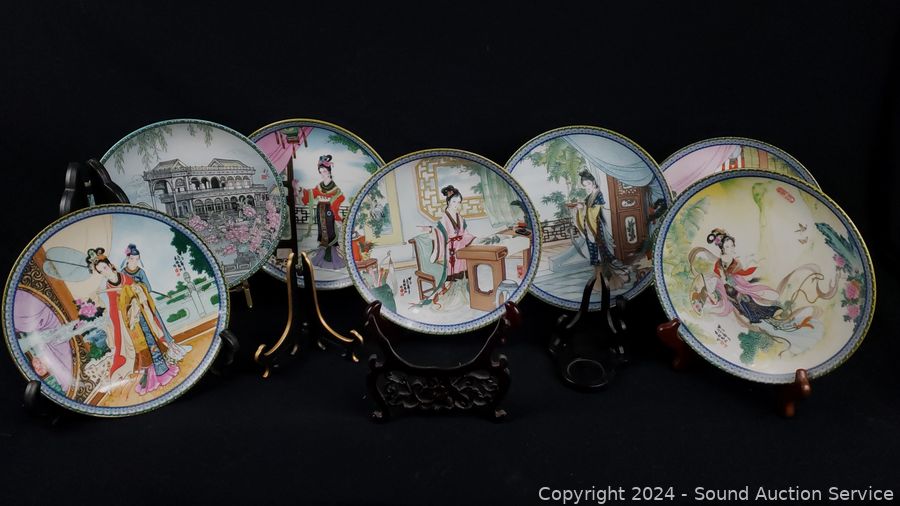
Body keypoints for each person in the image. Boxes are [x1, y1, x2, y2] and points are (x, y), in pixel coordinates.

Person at [88, 247, 179, 395]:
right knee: (139, 347)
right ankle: (149, 375)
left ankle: (162, 370)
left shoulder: (123, 277)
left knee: (150, 340)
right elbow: (114, 307)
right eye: (100, 271)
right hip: (128, 319)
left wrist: (133, 290)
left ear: (110, 265)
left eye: (104, 267)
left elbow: (138, 289)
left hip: (139, 313)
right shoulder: (108, 286)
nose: (104, 272)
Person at [120, 244, 192, 361]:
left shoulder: (141, 272)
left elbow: (148, 288)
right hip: (134, 308)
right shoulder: (123, 273)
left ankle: (173, 347)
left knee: (158, 323)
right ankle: (159, 354)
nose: (135, 262)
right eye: (132, 259)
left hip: (146, 303)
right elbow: (123, 292)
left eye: (137, 259)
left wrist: (138, 286)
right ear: (127, 258)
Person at [572, 170, 629, 290]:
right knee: (595, 252)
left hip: (596, 227)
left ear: (593, 182)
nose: (587, 187)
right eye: (585, 185)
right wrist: (580, 209)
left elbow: (595, 212)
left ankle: (610, 280)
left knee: (601, 252)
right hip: (590, 226)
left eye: (588, 184)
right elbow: (587, 210)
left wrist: (584, 209)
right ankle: (600, 278)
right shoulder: (589, 196)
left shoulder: (598, 194)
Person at [299, 154, 346, 269]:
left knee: (330, 234)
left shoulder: (335, 188)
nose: (322, 174)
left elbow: (340, 197)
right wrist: (300, 190)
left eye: (324, 171)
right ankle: (322, 257)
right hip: (320, 211)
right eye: (320, 172)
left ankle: (332, 259)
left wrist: (336, 215)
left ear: (329, 171)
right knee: (323, 234)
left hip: (330, 212)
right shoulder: (319, 186)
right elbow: (311, 193)